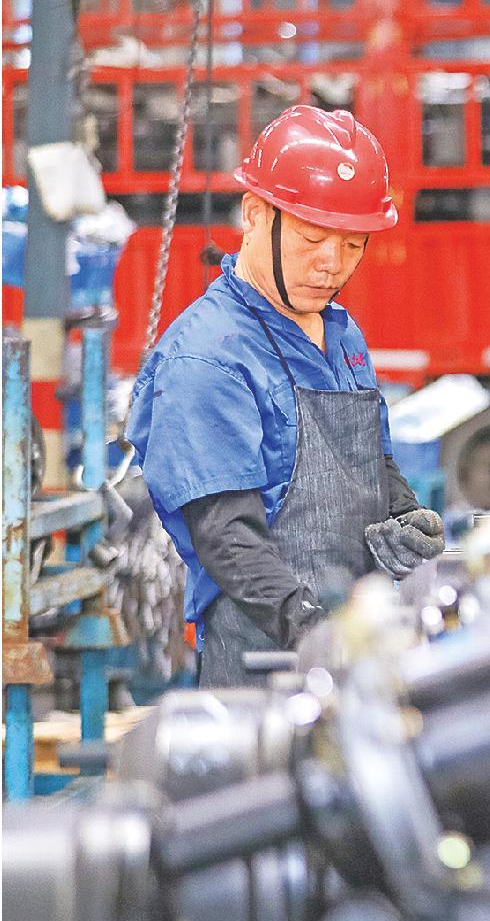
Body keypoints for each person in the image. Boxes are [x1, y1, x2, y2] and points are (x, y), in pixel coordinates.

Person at [127, 107, 444, 686]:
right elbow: (227, 537)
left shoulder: (340, 331)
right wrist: (315, 632)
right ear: (254, 215)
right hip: (265, 662)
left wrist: (404, 515)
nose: (332, 265)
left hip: (354, 639)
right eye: (312, 238)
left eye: (353, 244)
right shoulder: (208, 358)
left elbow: (368, 459)